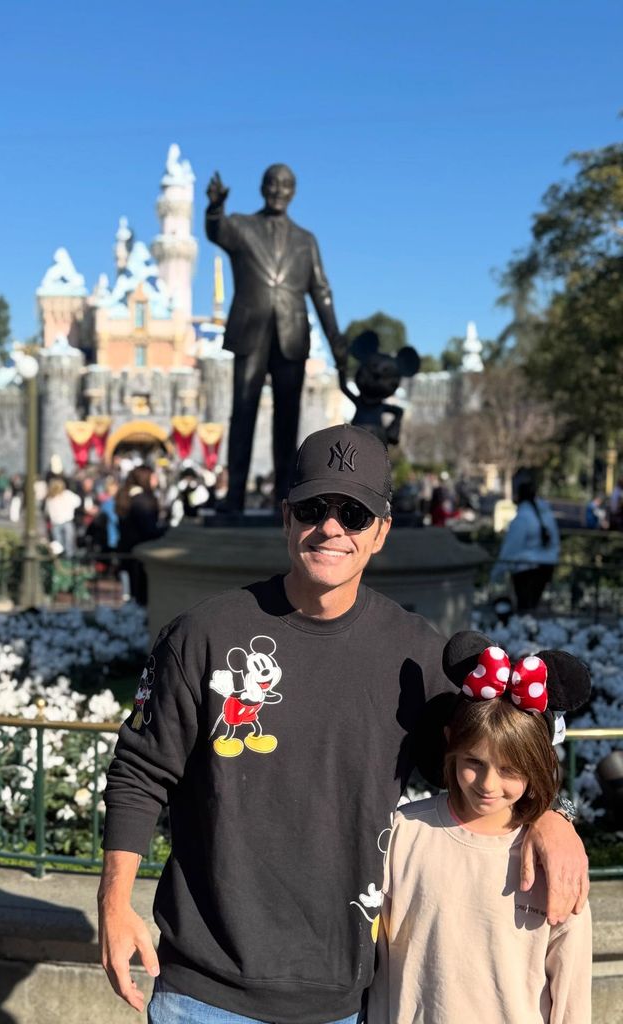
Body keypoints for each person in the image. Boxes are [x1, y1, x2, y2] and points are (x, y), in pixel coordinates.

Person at [98, 424, 589, 1024]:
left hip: (342, 997)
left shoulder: (417, 656)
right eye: (313, 508)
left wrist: (551, 819)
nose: (330, 527)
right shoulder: (202, 634)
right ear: (286, 517)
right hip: (203, 990)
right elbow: (141, 770)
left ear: (381, 531)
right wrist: (114, 903)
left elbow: (496, 756)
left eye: (353, 513)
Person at [368, 630, 592, 1023]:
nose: (488, 784)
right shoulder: (403, 834)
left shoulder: (557, 864)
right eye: (474, 762)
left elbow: (571, 994)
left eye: (509, 770)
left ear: (537, 765)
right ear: (449, 743)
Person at [205, 164, 348, 511]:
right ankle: (234, 496)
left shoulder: (305, 240)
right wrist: (215, 209)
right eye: (272, 184)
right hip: (250, 330)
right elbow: (217, 231)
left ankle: (285, 497)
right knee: (242, 413)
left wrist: (336, 340)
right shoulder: (242, 226)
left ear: (294, 192)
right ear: (262, 187)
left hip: (291, 334)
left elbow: (322, 292)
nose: (278, 191)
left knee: (288, 418)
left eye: (286, 186)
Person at [491, 480, 560, 612]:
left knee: (525, 608)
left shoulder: (523, 517)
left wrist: (496, 573)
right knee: (532, 606)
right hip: (546, 566)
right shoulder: (546, 514)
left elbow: (510, 549)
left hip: (526, 569)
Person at [116, 466, 166, 604]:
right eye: (153, 477)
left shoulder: (128, 496)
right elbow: (148, 530)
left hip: (128, 548)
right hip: (139, 552)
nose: (156, 480)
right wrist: (167, 531)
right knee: (140, 595)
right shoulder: (141, 500)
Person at [45, 478, 82, 558]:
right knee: (59, 546)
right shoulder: (51, 498)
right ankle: (61, 562)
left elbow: (78, 502)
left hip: (65, 522)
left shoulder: (67, 494)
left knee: (68, 545)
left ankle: (67, 561)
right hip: (57, 523)